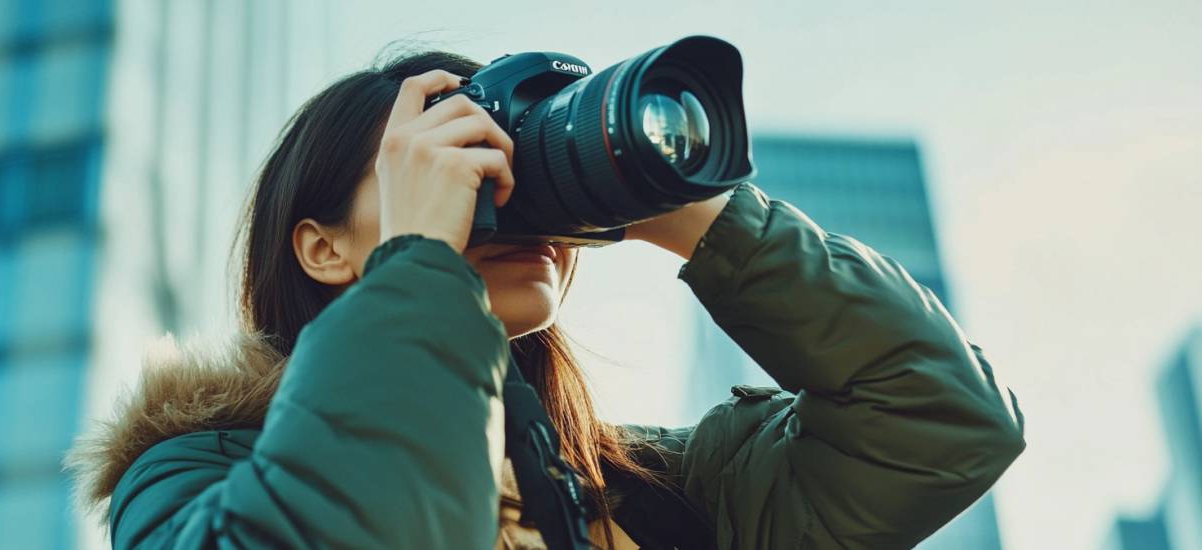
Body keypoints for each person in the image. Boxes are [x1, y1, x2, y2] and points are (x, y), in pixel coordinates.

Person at [67, 50, 1026, 549]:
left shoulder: (662, 499)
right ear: (321, 248)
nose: (498, 188)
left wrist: (692, 211)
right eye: (449, 159)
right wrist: (420, 260)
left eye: (510, 161)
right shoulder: (193, 478)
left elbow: (944, 422)